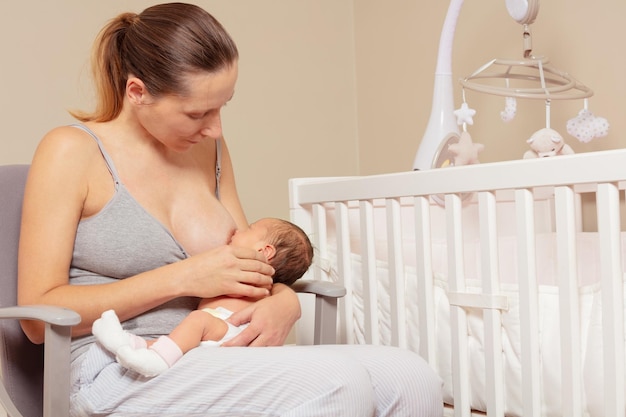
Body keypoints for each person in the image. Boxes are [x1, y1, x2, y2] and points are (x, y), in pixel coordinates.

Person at [17, 3, 443, 416]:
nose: (215, 128)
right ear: (137, 92)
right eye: (197, 112)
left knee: (411, 377)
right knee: (339, 381)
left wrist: (283, 300)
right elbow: (39, 318)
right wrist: (182, 277)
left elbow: (251, 267)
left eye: (223, 106)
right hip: (117, 366)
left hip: (211, 350)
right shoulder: (71, 151)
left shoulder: (210, 150)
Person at [92, 217, 314, 377]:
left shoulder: (254, 278)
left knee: (197, 321)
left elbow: (273, 292)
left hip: (231, 332)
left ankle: (156, 362)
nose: (237, 230)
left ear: (265, 252)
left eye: (249, 229)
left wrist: (287, 300)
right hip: (221, 333)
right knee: (177, 338)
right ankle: (130, 344)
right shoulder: (252, 278)